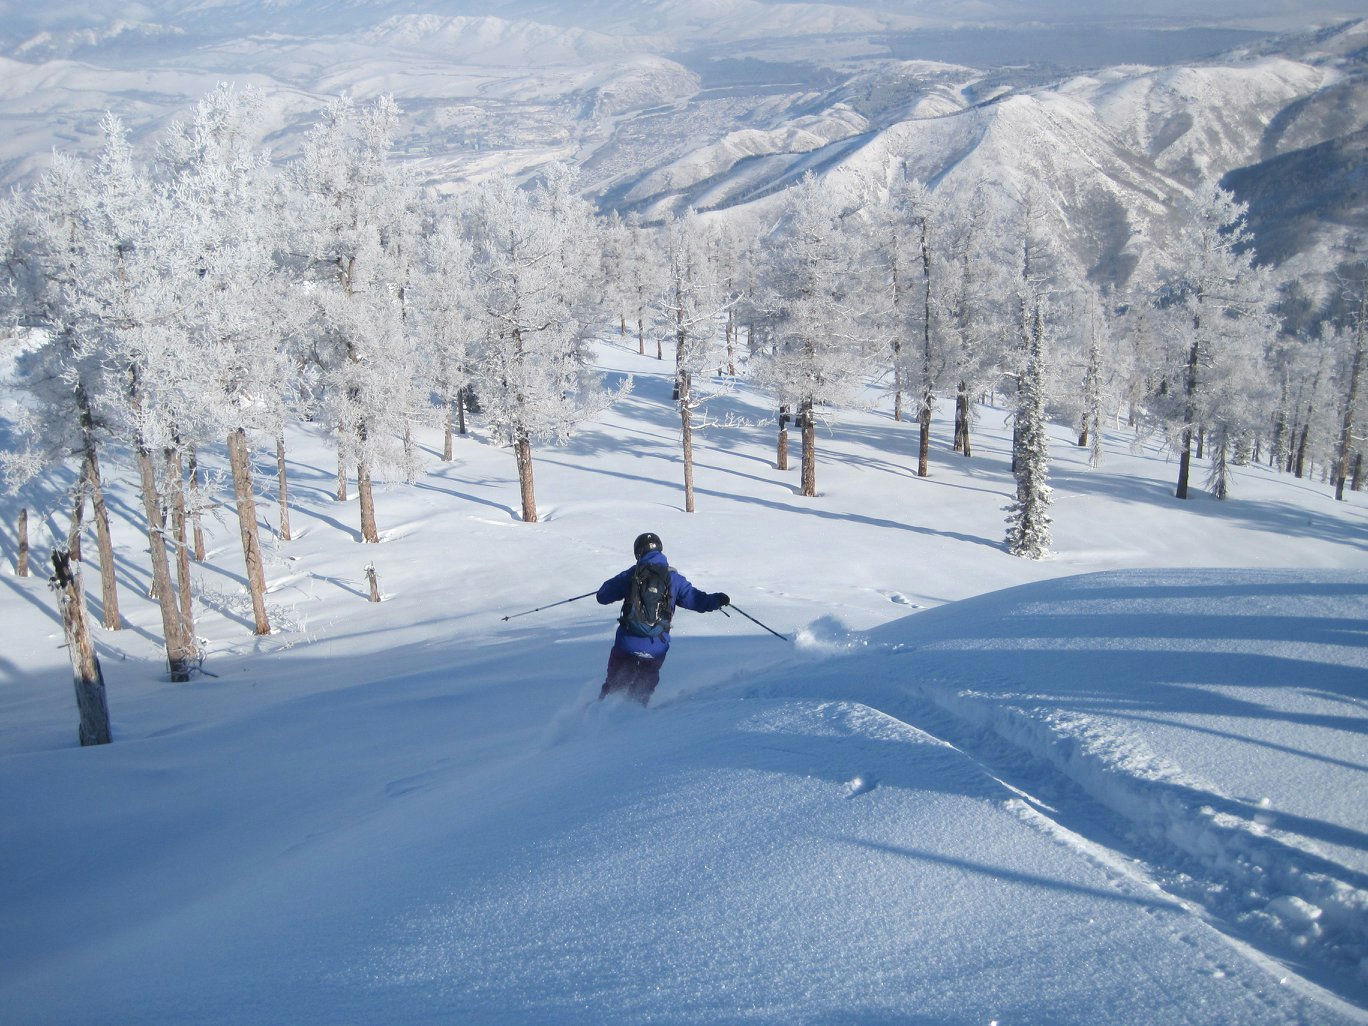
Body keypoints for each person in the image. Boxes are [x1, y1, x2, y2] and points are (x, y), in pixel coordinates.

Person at [596, 532, 729, 705]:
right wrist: (718, 600)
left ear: (638, 553)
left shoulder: (632, 574)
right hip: (656, 647)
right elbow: (698, 601)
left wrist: (622, 583)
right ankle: (635, 714)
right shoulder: (674, 579)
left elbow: (602, 596)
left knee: (614, 686)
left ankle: (599, 712)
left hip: (627, 643)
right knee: (641, 692)